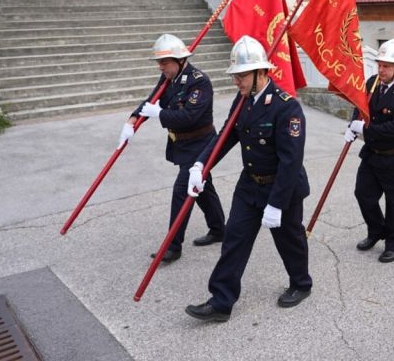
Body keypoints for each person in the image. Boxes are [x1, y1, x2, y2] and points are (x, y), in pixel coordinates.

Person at [185, 36, 312, 322]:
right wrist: (200, 164)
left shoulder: (286, 107)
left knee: (289, 240)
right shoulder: (242, 102)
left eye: (241, 76)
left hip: (282, 187)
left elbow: (291, 162)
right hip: (250, 184)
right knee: (234, 239)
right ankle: (221, 301)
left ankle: (301, 283)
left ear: (261, 73)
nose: (237, 82)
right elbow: (225, 137)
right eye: (235, 76)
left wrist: (277, 204)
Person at [118, 34, 225, 263]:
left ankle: (173, 246)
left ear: (179, 60)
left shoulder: (199, 81)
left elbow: (189, 116)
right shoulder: (168, 77)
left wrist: (159, 114)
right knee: (203, 188)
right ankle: (219, 229)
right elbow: (151, 100)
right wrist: (131, 121)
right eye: (159, 63)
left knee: (183, 189)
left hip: (202, 144)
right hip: (182, 144)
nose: (161, 67)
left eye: (164, 62)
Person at [347, 39, 394, 263]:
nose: (381, 69)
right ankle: (376, 230)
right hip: (372, 154)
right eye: (379, 64)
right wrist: (352, 126)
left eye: (386, 66)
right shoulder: (371, 84)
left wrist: (365, 131)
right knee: (363, 194)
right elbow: (359, 108)